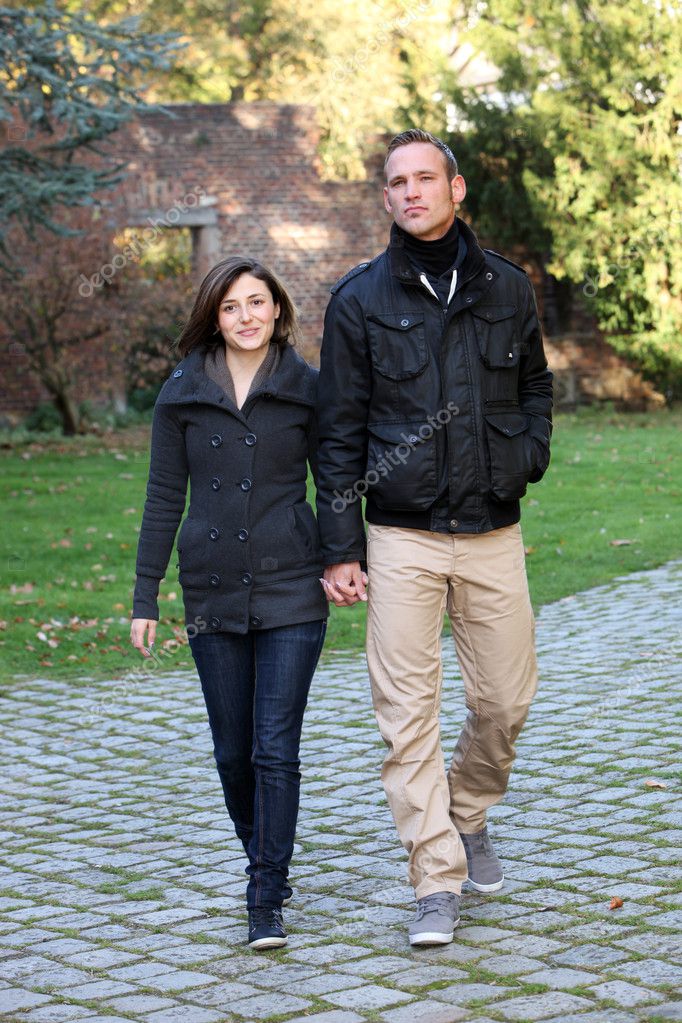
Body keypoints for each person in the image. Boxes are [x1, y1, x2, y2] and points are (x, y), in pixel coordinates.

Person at [316, 129, 553, 946]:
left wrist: (527, 457)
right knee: (406, 715)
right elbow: (338, 431)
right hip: (401, 537)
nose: (411, 191)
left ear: (456, 190)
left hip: (492, 529)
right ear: (385, 199)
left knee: (505, 701)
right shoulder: (358, 301)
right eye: (396, 182)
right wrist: (340, 545)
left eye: (426, 178)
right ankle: (435, 876)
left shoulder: (508, 289)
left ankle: (467, 809)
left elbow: (534, 386)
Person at [130, 256, 328, 950]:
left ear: (278, 309)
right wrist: (144, 593)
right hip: (212, 588)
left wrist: (342, 556)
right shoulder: (181, 393)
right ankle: (263, 851)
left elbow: (334, 483)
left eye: (258, 302)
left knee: (276, 750)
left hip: (292, 588)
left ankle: (265, 892)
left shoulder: (307, 388)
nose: (247, 316)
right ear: (213, 316)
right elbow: (162, 497)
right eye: (231, 306)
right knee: (232, 754)